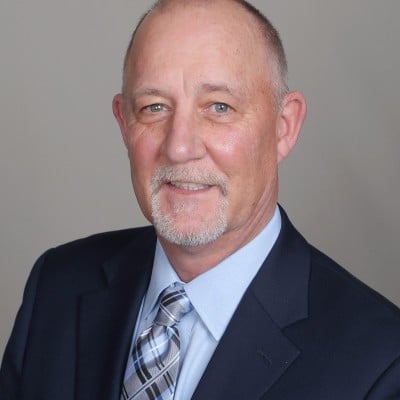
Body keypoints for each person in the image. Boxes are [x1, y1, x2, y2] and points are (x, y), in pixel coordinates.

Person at [1, 0, 400, 399]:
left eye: (219, 107)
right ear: (124, 123)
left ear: (284, 126)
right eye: (154, 107)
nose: (179, 147)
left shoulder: (380, 364)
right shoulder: (56, 287)